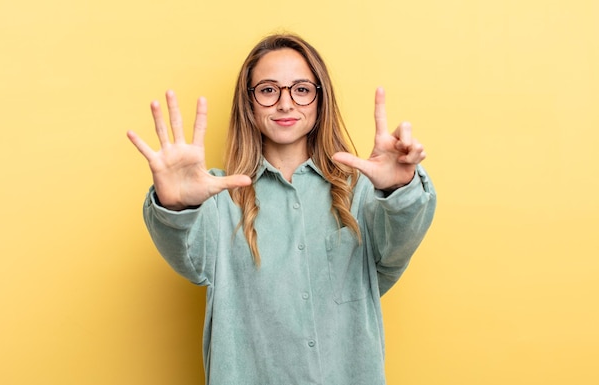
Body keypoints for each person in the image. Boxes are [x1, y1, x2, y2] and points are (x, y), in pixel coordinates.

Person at [127, 33, 436, 385]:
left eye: (301, 89)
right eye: (269, 90)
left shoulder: (364, 193)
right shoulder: (217, 198)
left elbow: (398, 248)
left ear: (320, 100)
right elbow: (188, 258)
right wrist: (178, 204)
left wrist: (398, 188)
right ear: (250, 103)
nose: (285, 104)